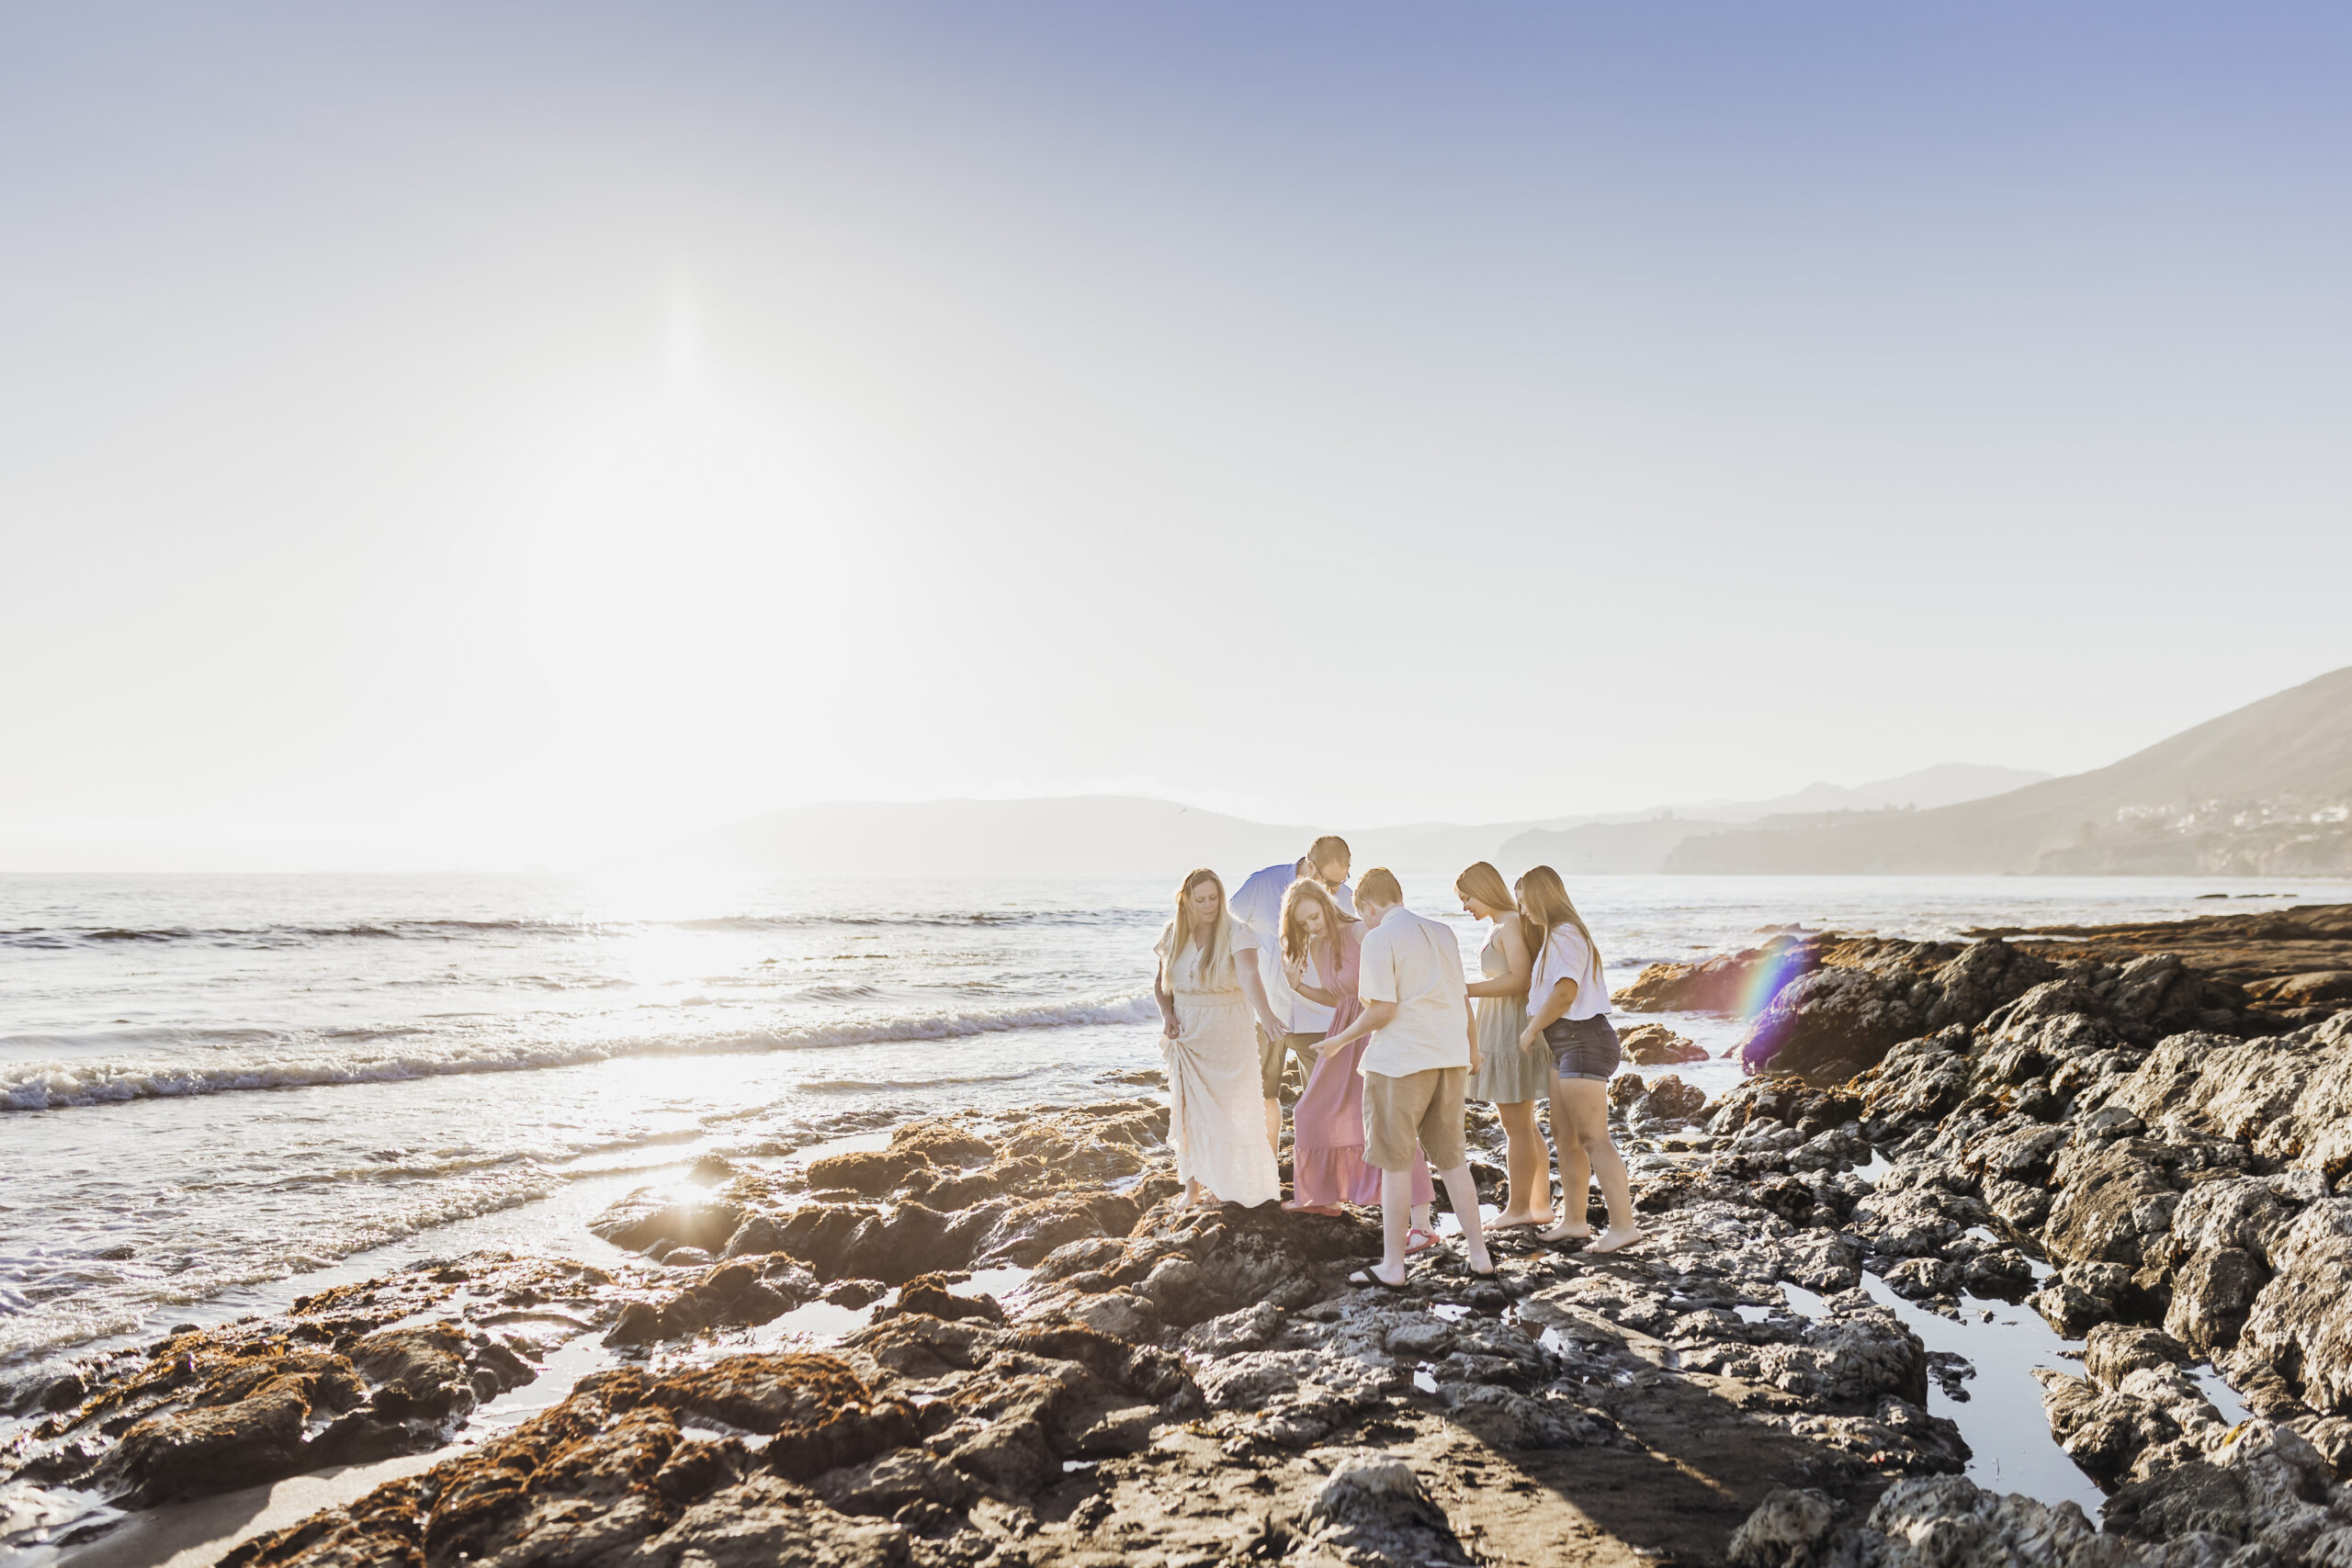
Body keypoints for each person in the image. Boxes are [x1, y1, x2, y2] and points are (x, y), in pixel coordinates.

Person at [1312, 867, 1493, 1288]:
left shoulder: (1379, 938)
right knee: (1452, 1161)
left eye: (1364, 916)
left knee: (1394, 1164)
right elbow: (1461, 998)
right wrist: (1471, 1047)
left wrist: (1339, 1040)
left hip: (1400, 1061)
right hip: (1448, 1058)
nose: (1365, 924)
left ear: (1369, 907)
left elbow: (1382, 1010)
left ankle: (1392, 1266)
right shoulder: (1443, 931)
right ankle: (1480, 1256)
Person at [1280, 878, 1436, 1220]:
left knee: (1389, 1120)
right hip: (1343, 1031)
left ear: (1325, 903)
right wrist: (1298, 987)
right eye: (1303, 923)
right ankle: (1324, 1196)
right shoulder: (1317, 945)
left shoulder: (1361, 933)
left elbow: (1391, 987)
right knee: (1310, 1111)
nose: (1311, 926)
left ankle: (1420, 1217)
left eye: (1314, 917)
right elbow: (1340, 997)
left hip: (1375, 1030)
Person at [1515, 864, 1642, 1253]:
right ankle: (1574, 1221)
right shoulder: (1556, 936)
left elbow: (1566, 992)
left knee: (1593, 1137)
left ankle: (1623, 1226)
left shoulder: (1566, 935)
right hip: (1568, 1043)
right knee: (1564, 1136)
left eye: (1523, 902)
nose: (1523, 911)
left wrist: (1532, 1028)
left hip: (1583, 1039)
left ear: (1539, 898)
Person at [1152, 868, 1286, 1208]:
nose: (1210, 905)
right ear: (1186, 901)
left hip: (1228, 1032)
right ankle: (1192, 1189)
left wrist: (1267, 1014)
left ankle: (1232, 1185)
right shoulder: (1172, 934)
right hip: (1187, 1033)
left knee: (1233, 1111)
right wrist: (1167, 1015)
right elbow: (1161, 984)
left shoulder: (1237, 932)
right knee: (1187, 1112)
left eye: (1214, 898)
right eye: (1201, 900)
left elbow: (1250, 974)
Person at [1230, 836, 1356, 1147]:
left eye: (1343, 881)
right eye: (1330, 882)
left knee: (1325, 1103)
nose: (1336, 891)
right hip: (1266, 1013)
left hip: (1320, 1018)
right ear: (1309, 865)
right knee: (1261, 1098)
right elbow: (1227, 930)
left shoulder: (1346, 898)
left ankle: (1326, 1182)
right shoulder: (1262, 884)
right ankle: (1264, 1175)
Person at [1457, 862, 1552, 1228]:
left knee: (1516, 1126)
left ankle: (1518, 1209)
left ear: (1484, 889)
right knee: (1525, 1125)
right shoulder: (1502, 923)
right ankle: (1539, 1206)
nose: (1465, 906)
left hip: (1511, 1029)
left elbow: (1521, 979)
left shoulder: (1510, 922)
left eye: (1467, 897)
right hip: (1501, 1027)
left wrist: (1467, 988)